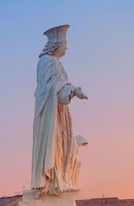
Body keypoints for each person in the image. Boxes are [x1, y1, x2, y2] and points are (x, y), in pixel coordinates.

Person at [31, 24, 88, 196]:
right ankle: (52, 183)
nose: (67, 46)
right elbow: (47, 88)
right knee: (55, 147)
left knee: (61, 148)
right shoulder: (47, 62)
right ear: (56, 44)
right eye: (65, 42)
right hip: (49, 114)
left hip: (58, 113)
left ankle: (59, 182)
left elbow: (58, 88)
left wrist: (70, 90)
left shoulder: (54, 63)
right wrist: (72, 90)